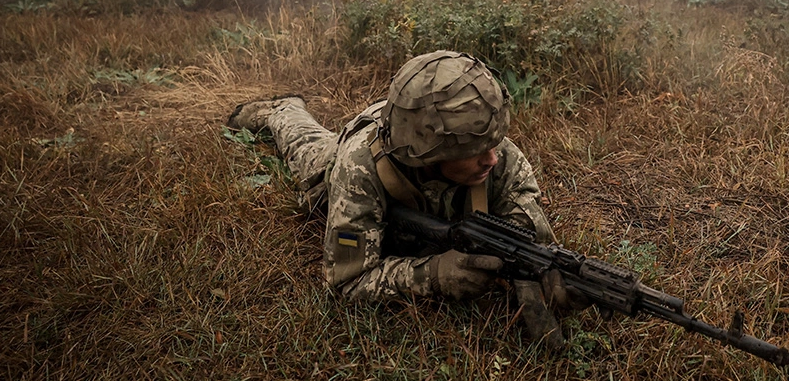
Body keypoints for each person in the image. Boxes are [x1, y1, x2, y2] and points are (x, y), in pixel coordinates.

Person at [226, 50, 579, 347]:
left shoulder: (493, 151)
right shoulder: (359, 169)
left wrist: (542, 274)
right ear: (430, 155)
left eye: (494, 143)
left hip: (412, 125)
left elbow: (529, 231)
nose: (492, 159)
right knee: (305, 145)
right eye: (474, 152)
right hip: (345, 152)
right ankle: (283, 110)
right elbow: (346, 282)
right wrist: (433, 275)